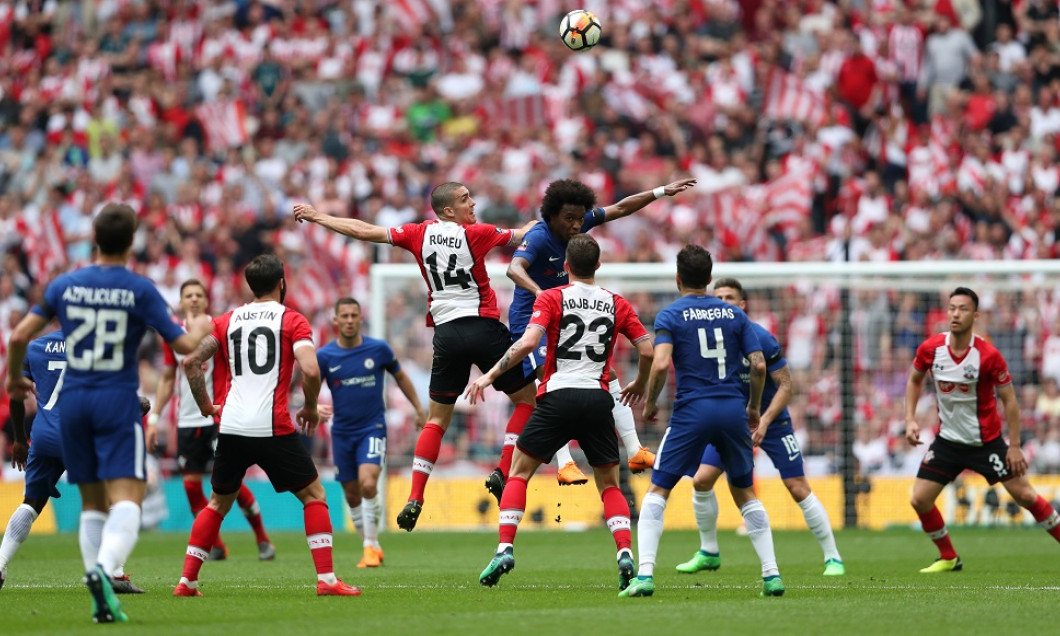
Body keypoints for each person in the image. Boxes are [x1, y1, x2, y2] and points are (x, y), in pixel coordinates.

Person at [4, 203, 214, 622]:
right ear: (132, 241)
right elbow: (185, 347)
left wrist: (13, 381)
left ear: (93, 238)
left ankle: (97, 580)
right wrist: (205, 330)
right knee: (131, 497)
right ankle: (106, 570)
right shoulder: (139, 289)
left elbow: (17, 337)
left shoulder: (66, 285)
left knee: (92, 503)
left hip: (72, 408)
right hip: (114, 405)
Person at [293, 183, 538, 532]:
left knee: (436, 420)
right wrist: (550, 222)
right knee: (528, 401)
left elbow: (364, 231)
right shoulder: (478, 233)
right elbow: (522, 236)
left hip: (447, 335)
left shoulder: (417, 233)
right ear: (449, 210)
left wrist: (319, 217)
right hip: (483, 328)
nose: (474, 203)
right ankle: (501, 469)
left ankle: (415, 496)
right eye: (466, 199)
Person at [465, 234, 654, 590]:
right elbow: (647, 350)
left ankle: (504, 549)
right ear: (598, 266)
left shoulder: (552, 297)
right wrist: (640, 384)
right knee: (610, 484)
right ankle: (625, 554)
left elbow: (528, 343)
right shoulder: (617, 302)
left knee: (519, 473)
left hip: (557, 395)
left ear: (565, 266)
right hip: (598, 398)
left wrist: (489, 375)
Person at [494, 177, 696, 496]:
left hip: (564, 315)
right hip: (530, 321)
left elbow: (620, 207)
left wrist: (660, 191)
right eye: (569, 219)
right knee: (550, 383)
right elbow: (513, 269)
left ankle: (635, 449)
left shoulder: (580, 221)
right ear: (552, 215)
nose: (576, 225)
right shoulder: (538, 235)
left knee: (608, 373)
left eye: (579, 218)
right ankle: (563, 463)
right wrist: (546, 294)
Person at [173, 254, 361, 597]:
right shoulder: (293, 320)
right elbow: (311, 369)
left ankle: (187, 581)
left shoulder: (226, 320)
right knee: (314, 495)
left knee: (217, 503)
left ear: (250, 286)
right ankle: (327, 580)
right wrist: (308, 408)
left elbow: (191, 363)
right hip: (272, 425)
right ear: (282, 283)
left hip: (231, 425)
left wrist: (205, 407)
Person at [621, 245, 785, 599]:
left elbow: (661, 364)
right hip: (731, 411)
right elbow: (758, 365)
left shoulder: (670, 315)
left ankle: (645, 576)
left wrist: (650, 403)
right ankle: (771, 575)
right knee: (744, 493)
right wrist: (754, 408)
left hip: (692, 411)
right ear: (710, 279)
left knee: (658, 491)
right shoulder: (734, 315)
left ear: (678, 278)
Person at [675, 278, 844, 577]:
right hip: (734, 425)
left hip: (773, 423)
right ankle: (709, 552)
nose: (723, 302)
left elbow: (787, 385)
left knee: (797, 487)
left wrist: (764, 421)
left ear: (742, 305)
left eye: (730, 297)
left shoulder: (761, 338)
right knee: (701, 481)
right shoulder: (711, 342)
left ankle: (833, 557)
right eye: (719, 297)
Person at [905, 287, 1060, 572]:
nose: (955, 314)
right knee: (919, 499)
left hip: (986, 444)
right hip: (948, 443)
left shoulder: (988, 356)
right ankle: (949, 557)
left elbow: (1010, 401)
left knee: (1025, 496)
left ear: (974, 316)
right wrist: (910, 419)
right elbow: (914, 380)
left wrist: (1013, 445)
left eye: (962, 309)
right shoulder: (931, 349)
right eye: (952, 308)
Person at [0, 330, 150, 594]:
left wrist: (20, 440)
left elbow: (15, 394)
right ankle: (114, 573)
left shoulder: (35, 348)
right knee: (112, 499)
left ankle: (0, 564)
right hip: (82, 437)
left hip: (44, 437)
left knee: (31, 504)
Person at [149, 278, 275, 562]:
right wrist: (155, 416)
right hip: (187, 422)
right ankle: (217, 545)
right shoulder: (174, 336)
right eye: (188, 295)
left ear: (206, 301)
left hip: (218, 417)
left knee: (231, 483)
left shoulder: (219, 328)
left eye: (198, 295)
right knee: (192, 486)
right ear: (180, 302)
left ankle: (262, 539)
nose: (193, 299)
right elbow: (168, 377)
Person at [317, 297, 427, 567]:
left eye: (354, 315)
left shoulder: (378, 350)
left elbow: (400, 376)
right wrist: (312, 407)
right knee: (352, 494)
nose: (350, 320)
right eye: (344, 316)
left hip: (372, 428)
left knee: (368, 484)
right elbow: (309, 388)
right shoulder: (325, 356)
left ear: (360, 317)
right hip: (342, 433)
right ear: (336, 320)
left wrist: (418, 408)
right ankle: (372, 543)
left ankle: (368, 547)